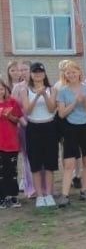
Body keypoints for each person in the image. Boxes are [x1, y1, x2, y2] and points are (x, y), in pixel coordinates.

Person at [56, 61, 86, 206]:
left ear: (79, 72)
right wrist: (74, 103)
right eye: (68, 72)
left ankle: (84, 191)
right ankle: (65, 195)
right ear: (65, 75)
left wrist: (84, 101)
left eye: (74, 71)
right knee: (69, 163)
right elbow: (61, 114)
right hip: (70, 128)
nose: (71, 74)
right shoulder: (62, 91)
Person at [18, 62, 59, 208]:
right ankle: (39, 196)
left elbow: (52, 108)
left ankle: (48, 194)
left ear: (44, 73)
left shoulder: (52, 89)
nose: (37, 74)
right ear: (31, 74)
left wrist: (44, 95)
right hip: (33, 127)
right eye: (35, 72)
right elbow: (27, 111)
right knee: (35, 163)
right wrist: (36, 96)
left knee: (49, 162)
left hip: (49, 126)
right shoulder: (25, 90)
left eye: (40, 72)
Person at [9, 61, 34, 198]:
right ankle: (29, 186)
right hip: (23, 124)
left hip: (38, 123)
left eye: (25, 69)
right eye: (20, 70)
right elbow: (13, 106)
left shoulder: (37, 86)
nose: (22, 72)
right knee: (26, 156)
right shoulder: (18, 87)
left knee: (37, 154)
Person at [0, 79, 23, 208]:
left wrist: (9, 116)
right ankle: (2, 197)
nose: (0, 92)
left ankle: (12, 196)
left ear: (6, 89)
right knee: (1, 172)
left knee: (12, 171)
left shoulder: (12, 102)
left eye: (1, 89)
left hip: (11, 143)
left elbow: (17, 119)